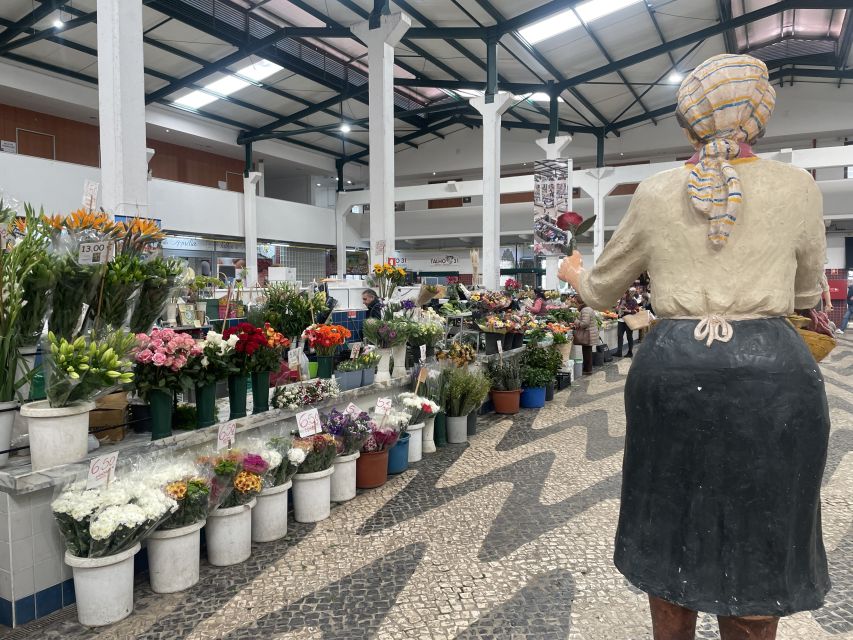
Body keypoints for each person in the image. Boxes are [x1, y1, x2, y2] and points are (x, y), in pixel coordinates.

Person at [559, 54, 828, 640]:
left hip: (674, 368)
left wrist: (570, 270)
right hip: (773, 374)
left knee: (668, 525)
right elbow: (807, 291)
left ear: (689, 122)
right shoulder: (798, 187)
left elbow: (603, 291)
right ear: (759, 118)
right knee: (763, 531)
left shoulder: (655, 192)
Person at [573, 297, 598, 375]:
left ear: (579, 302)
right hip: (589, 333)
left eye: (576, 302)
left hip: (588, 334)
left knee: (587, 352)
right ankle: (587, 369)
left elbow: (585, 323)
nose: (575, 304)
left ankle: (587, 370)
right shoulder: (587, 308)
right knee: (587, 352)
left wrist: (576, 321)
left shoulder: (585, 310)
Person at [615, 288, 640, 357]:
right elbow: (619, 309)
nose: (621, 295)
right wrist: (617, 309)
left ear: (626, 294)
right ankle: (619, 352)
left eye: (623, 294)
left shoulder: (633, 301)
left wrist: (628, 311)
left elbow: (637, 311)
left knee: (629, 336)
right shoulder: (621, 301)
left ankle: (630, 352)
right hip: (621, 320)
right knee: (619, 336)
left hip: (629, 321)